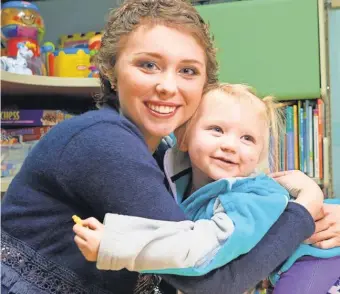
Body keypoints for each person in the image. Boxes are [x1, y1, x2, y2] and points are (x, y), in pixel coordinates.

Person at [0, 0, 328, 293]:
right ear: (112, 72)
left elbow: (234, 206)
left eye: (187, 70)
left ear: (204, 86)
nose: (167, 86)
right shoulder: (104, 141)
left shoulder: (167, 154)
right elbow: (212, 280)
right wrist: (305, 210)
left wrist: (320, 210)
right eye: (148, 65)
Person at [73, 84, 340, 294]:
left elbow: (204, 251)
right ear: (185, 137)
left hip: (318, 256)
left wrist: (115, 244)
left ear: (259, 154)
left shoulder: (248, 198)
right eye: (216, 129)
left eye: (247, 138)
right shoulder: (179, 174)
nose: (231, 145)